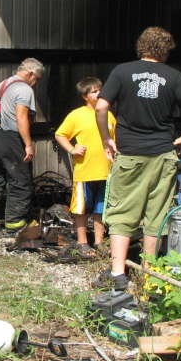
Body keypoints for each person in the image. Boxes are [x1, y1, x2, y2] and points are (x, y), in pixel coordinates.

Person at [95, 26, 181, 290]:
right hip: (163, 155)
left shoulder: (122, 71)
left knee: (122, 213)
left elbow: (100, 106)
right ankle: (148, 274)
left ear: (141, 45)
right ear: (165, 49)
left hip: (130, 154)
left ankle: (118, 274)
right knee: (155, 217)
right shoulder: (174, 76)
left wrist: (106, 139)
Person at [0, 58, 44, 237]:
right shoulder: (24, 89)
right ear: (30, 74)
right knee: (20, 182)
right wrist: (28, 144)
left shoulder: (2, 85)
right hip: (11, 139)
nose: (36, 83)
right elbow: (21, 117)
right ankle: (15, 225)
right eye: (37, 79)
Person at [55, 77, 116, 257]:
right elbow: (60, 134)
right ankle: (82, 243)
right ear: (84, 96)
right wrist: (72, 149)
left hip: (106, 171)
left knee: (101, 209)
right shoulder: (77, 115)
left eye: (100, 89)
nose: (99, 93)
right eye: (94, 91)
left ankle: (98, 242)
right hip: (85, 171)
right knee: (81, 209)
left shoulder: (109, 114)